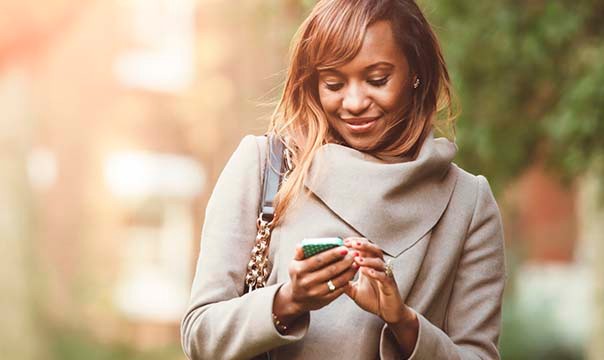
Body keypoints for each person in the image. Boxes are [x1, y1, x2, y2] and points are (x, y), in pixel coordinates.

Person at [181, 0, 506, 359]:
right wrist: (288, 300)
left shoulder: (467, 202)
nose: (353, 102)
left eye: (377, 79)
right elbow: (200, 335)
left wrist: (403, 322)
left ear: (417, 72)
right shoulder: (266, 167)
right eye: (334, 83)